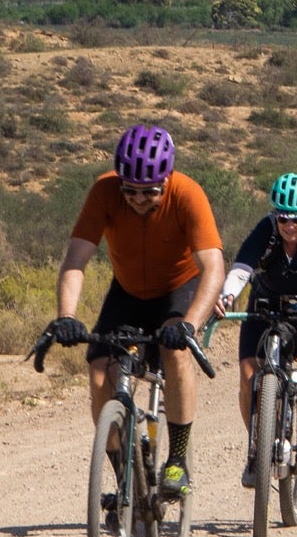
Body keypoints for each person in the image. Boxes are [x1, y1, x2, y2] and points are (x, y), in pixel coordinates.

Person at [38, 124, 225, 498]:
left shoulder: (188, 194)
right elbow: (75, 261)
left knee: (175, 351)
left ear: (167, 178)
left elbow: (214, 267)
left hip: (178, 289)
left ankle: (177, 459)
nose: (138, 199)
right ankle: (127, 480)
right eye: (130, 190)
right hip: (128, 292)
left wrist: (189, 325)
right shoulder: (104, 192)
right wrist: (67, 316)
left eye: (150, 191)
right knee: (97, 375)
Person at [213, 172, 297, 483]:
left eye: (296, 220)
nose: (289, 226)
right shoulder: (266, 231)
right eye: (283, 218)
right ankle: (257, 446)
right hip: (265, 300)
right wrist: (227, 295)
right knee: (247, 375)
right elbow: (242, 269)